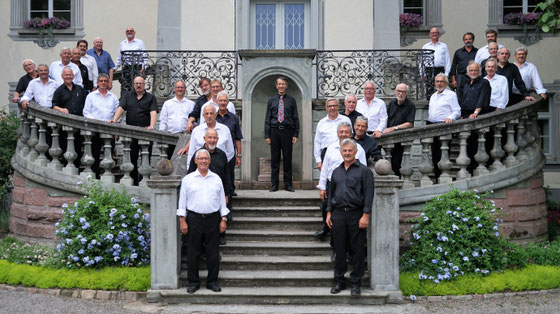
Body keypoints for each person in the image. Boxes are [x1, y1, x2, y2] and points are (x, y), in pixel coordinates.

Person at [326, 138, 374, 296]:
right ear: (341, 152)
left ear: (355, 152)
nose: (347, 153)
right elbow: (331, 194)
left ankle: (355, 283)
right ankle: (339, 281)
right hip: (338, 214)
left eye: (350, 151)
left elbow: (368, 194)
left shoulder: (364, 171)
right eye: (344, 151)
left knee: (357, 249)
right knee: (339, 249)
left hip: (356, 214)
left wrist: (365, 215)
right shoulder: (336, 172)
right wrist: (329, 212)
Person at [178, 149, 229, 294]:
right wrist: (182, 220)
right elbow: (182, 202)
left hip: (213, 219)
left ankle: (212, 281)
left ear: (209, 160)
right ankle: (193, 282)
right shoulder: (188, 179)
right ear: (195, 161)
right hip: (194, 219)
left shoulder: (216, 178)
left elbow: (222, 203)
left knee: (213, 253)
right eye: (200, 159)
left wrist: (223, 219)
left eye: (206, 158)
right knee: (192, 252)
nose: (203, 161)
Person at [316, 122, 367, 242]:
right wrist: (322, 187)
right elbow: (325, 168)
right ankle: (331, 239)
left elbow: (363, 169)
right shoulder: (331, 147)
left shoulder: (358, 149)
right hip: (332, 185)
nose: (344, 134)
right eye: (341, 132)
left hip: (352, 187)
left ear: (351, 133)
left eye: (346, 132)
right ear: (337, 134)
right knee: (328, 211)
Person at [187, 128, 232, 245]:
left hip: (218, 192)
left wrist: (227, 194)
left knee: (218, 217)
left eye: (214, 138)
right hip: (200, 194)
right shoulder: (198, 155)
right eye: (209, 138)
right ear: (204, 139)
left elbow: (227, 176)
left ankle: (220, 236)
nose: (212, 140)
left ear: (217, 139)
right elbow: (190, 175)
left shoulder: (222, 155)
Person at [110, 76, 157, 185]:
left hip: (146, 133)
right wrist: (114, 121)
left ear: (144, 85)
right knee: (132, 158)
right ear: (133, 84)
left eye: (140, 83)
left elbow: (153, 112)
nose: (138, 85)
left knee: (146, 158)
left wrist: (152, 126)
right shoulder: (128, 96)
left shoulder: (151, 97)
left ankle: (144, 182)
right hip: (131, 133)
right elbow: (121, 108)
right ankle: (134, 183)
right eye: (136, 83)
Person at [264, 77, 300, 192]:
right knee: (275, 159)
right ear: (276, 86)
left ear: (286, 86)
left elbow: (295, 118)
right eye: (279, 84)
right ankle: (274, 184)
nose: (281, 86)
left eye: (283, 84)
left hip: (287, 131)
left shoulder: (292, 100)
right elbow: (267, 118)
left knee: (287, 159)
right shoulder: (271, 100)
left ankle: (288, 184)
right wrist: (267, 135)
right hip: (274, 131)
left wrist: (296, 134)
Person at [83, 74, 120, 177]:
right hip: (95, 128)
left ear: (108, 83)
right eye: (101, 81)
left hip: (109, 129)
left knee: (109, 153)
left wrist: (116, 127)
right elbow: (86, 112)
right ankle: (96, 175)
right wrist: (93, 120)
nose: (103, 83)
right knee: (94, 153)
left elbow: (117, 114)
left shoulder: (113, 97)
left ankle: (107, 175)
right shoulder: (91, 96)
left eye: (105, 81)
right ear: (97, 83)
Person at [52, 67, 87, 167]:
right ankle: (67, 168)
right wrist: (61, 109)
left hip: (78, 124)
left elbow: (86, 104)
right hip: (65, 125)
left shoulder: (80, 89)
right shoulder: (59, 91)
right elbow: (54, 106)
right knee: (65, 147)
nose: (68, 76)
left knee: (78, 147)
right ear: (62, 76)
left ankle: (77, 169)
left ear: (73, 76)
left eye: (70, 74)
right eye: (66, 75)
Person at [427, 74, 461, 178]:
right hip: (432, 126)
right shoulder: (433, 95)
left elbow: (457, 111)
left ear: (446, 83)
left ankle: (443, 175)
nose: (439, 83)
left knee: (443, 152)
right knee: (434, 153)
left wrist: (450, 117)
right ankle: (437, 176)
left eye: (441, 81)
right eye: (437, 81)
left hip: (444, 126)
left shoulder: (451, 95)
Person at [183, 105, 235, 170]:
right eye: (207, 114)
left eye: (211, 113)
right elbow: (191, 152)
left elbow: (230, 152)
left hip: (219, 168)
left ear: (216, 115)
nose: (209, 116)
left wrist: (220, 162)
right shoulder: (196, 130)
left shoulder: (225, 129)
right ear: (203, 115)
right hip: (200, 168)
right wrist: (189, 168)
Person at [383, 83, 415, 176]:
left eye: (403, 92)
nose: (400, 94)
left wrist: (394, 128)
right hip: (389, 137)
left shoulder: (410, 105)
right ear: (395, 91)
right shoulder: (391, 103)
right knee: (387, 162)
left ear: (407, 93)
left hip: (401, 138)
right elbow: (387, 119)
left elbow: (410, 124)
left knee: (396, 163)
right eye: (398, 91)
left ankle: (397, 181)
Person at [215, 91, 243, 197]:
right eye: (221, 100)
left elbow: (238, 138)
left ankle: (229, 199)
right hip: (215, 153)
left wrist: (238, 156)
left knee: (230, 176)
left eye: (225, 101)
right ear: (217, 102)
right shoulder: (213, 117)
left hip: (229, 153)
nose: (223, 103)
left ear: (228, 102)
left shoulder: (234, 118)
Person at [314, 98, 352, 173]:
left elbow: (350, 137)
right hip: (326, 154)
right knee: (327, 179)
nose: (332, 108)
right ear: (326, 108)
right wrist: (318, 160)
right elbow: (317, 142)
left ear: (338, 106)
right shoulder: (321, 123)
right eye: (330, 106)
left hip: (343, 153)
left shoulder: (346, 120)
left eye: (334, 105)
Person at [159, 80, 195, 158]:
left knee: (182, 160)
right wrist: (161, 136)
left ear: (185, 89)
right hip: (170, 137)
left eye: (182, 87)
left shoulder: (191, 104)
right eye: (178, 87)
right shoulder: (167, 103)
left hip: (185, 137)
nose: (180, 89)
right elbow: (163, 121)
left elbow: (194, 122)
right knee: (169, 159)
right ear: (174, 89)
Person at [115, 27, 147, 93]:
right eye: (127, 31)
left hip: (137, 67)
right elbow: (119, 57)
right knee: (126, 86)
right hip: (126, 68)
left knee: (138, 85)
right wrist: (114, 68)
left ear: (134, 32)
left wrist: (143, 68)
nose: (129, 32)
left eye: (131, 31)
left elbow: (145, 56)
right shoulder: (122, 43)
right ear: (125, 33)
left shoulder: (140, 42)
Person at [422, 27, 451, 96]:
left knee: (441, 89)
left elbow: (447, 60)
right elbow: (422, 61)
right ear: (430, 34)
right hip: (429, 70)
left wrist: (446, 74)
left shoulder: (444, 46)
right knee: (429, 90)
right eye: (432, 33)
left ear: (438, 34)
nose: (434, 34)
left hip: (440, 70)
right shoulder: (425, 46)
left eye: (436, 33)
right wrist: (423, 73)